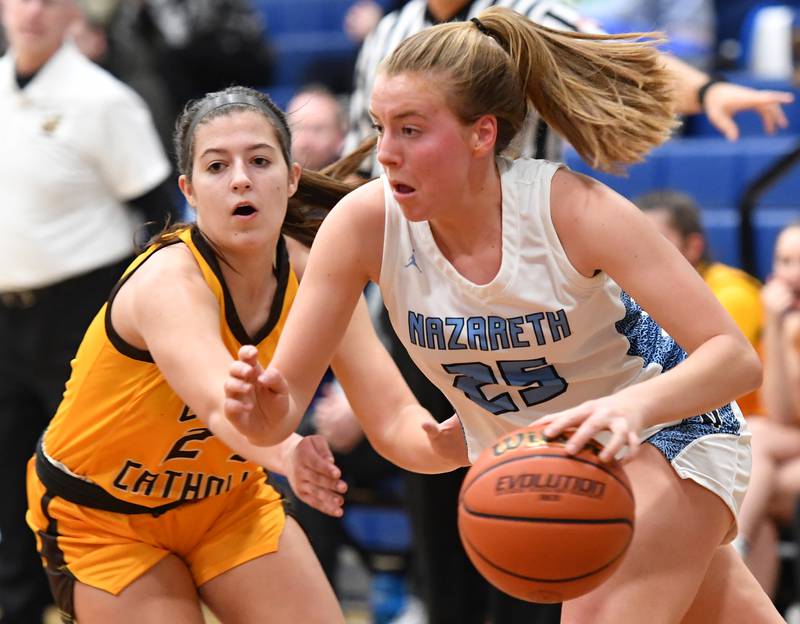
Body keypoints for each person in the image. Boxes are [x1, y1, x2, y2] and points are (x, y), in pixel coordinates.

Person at [224, 7, 784, 622]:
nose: (385, 153)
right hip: (547, 455)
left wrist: (629, 408)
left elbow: (734, 359)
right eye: (381, 127)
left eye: (411, 130)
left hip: (667, 428)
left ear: (481, 134)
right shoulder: (361, 226)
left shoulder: (572, 209)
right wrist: (261, 407)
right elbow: (328, 419)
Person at [23, 85, 378, 624]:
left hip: (225, 503)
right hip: (103, 516)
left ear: (291, 176)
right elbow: (222, 409)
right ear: (189, 189)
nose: (241, 178)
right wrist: (287, 454)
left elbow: (395, 413)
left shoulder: (316, 271)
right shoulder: (168, 280)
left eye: (260, 160)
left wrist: (469, 442)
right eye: (217, 166)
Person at [0, 0, 177, 621]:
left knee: (89, 476)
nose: (34, 11)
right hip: (5, 317)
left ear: (74, 9)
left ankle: (116, 607)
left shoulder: (104, 100)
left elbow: (160, 214)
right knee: (8, 480)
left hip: (79, 314)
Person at [345, 0, 794, 178]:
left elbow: (617, 64)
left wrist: (709, 90)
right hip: (410, 256)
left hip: (518, 235)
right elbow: (363, 155)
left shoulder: (528, 14)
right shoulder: (386, 34)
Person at [637, 190, 763, 414]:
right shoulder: (636, 294)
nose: (641, 251)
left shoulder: (733, 293)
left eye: (657, 240)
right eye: (637, 240)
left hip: (746, 424)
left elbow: (719, 374)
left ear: (694, 246)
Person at [733, 222, 800, 599]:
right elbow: (782, 412)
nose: (791, 272)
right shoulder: (787, 322)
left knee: (754, 439)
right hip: (790, 458)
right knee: (764, 502)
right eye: (783, 260)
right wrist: (774, 326)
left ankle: (731, 548)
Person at [286, 85, 347, 171]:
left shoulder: (357, 183)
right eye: (297, 127)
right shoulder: (274, 180)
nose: (305, 143)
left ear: (339, 136)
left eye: (317, 130)